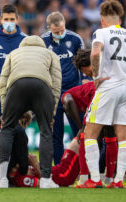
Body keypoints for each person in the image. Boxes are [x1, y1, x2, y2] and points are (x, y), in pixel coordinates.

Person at [79, 0, 126, 188]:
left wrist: (96, 75)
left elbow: (95, 52)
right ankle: (119, 180)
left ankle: (95, 179)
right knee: (124, 135)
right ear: (119, 17)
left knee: (90, 132)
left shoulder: (101, 33)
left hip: (107, 86)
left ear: (103, 19)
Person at [0, 35, 62, 189]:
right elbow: (56, 83)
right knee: (46, 131)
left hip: (17, 85)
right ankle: (45, 180)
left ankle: (2, 179)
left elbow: (2, 81)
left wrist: (4, 111)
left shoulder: (14, 53)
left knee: (7, 129)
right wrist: (52, 113)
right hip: (42, 86)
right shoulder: (50, 54)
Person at [41, 11, 85, 164]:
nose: (60, 33)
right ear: (49, 28)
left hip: (73, 93)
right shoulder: (43, 41)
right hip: (53, 95)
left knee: (79, 131)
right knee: (56, 134)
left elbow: (84, 63)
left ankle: (80, 167)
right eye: (56, 31)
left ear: (64, 25)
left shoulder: (75, 39)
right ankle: (59, 167)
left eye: (62, 30)